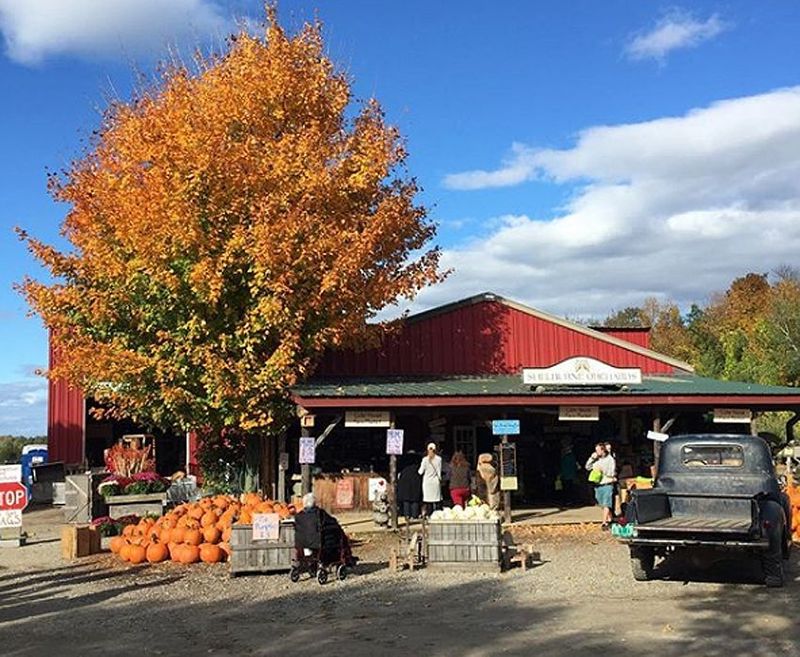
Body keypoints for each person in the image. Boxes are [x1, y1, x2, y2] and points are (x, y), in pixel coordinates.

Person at [585, 442, 617, 529]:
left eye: (598, 450)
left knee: (607, 503)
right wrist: (592, 458)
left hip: (607, 483)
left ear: (603, 450)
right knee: (602, 503)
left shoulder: (610, 459)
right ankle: (611, 519)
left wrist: (601, 470)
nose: (597, 452)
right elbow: (587, 467)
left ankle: (604, 522)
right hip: (598, 484)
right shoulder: (596, 459)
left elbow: (611, 472)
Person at [397, 452, 423, 522]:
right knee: (415, 499)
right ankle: (414, 515)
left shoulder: (402, 459)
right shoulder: (419, 459)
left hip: (405, 479)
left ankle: (407, 515)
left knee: (406, 499)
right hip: (416, 478)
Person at [418, 442, 443, 515]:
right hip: (435, 482)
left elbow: (420, 471)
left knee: (428, 501)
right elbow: (439, 471)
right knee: (437, 500)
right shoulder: (439, 459)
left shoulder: (425, 460)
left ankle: (430, 515)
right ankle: (438, 515)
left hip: (427, 482)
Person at [559, 442, 579, 506]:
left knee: (569, 488)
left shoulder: (569, 456)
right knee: (567, 488)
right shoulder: (566, 456)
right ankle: (569, 501)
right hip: (567, 475)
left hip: (568, 475)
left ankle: (569, 501)